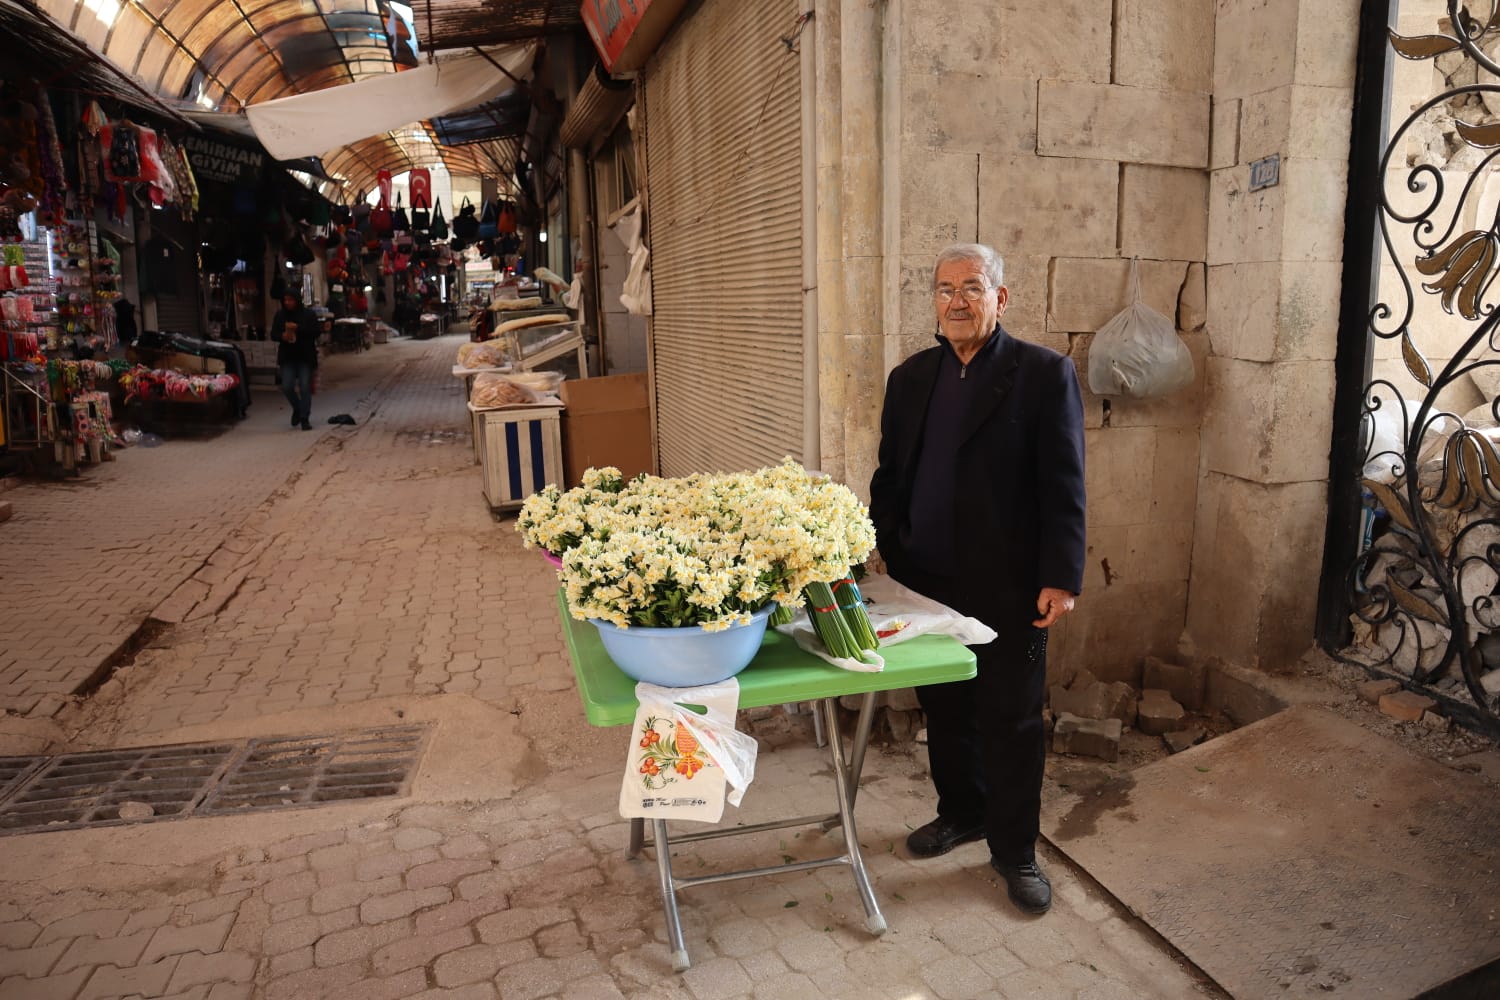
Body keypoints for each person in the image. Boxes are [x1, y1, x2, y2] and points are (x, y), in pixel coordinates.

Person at [869, 242, 1086, 915]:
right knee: (947, 709)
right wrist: (882, 549)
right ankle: (961, 811)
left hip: (1014, 589)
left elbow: (1064, 482)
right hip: (926, 582)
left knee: (1013, 717)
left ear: (1000, 297)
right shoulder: (910, 379)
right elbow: (889, 478)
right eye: (944, 289)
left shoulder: (1043, 375)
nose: (956, 301)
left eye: (972, 287)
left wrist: (1061, 574)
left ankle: (1015, 849)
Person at [270, 291, 319, 430]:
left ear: (297, 300)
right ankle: (298, 408)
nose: (287, 303)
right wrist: (282, 336)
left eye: (290, 300)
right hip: (288, 357)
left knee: (304, 387)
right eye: (285, 300)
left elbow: (315, 332)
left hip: (305, 356)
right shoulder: (280, 315)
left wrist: (298, 328)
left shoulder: (308, 314)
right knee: (286, 386)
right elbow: (273, 334)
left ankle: (304, 418)